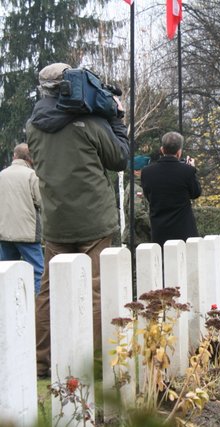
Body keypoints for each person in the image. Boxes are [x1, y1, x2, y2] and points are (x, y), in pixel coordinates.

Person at [26, 62, 130, 377]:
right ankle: (96, 362)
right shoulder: (91, 123)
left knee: (48, 293)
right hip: (93, 220)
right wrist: (116, 119)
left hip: (56, 221)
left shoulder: (33, 127)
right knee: (96, 289)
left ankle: (41, 361)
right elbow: (119, 158)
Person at [141, 132, 201, 247]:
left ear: (162, 149)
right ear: (179, 152)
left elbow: (148, 196)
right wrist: (192, 170)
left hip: (160, 230)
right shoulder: (187, 171)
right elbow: (195, 193)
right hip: (184, 230)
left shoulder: (147, 172)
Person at [0, 143, 44, 295]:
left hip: (4, 232)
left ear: (14, 156)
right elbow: (41, 201)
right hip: (27, 233)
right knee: (38, 271)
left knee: (5, 271)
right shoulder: (32, 175)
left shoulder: (1, 175)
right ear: (30, 158)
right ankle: (38, 304)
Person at [123, 155, 151, 247]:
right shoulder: (136, 189)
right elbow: (138, 213)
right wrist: (153, 225)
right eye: (145, 169)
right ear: (136, 171)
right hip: (138, 239)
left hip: (140, 239)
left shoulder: (138, 186)